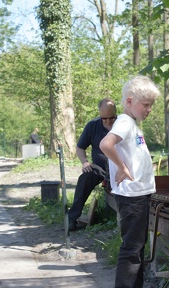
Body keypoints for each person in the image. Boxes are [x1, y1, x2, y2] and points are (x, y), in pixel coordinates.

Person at [99, 75, 160, 288]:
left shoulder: (131, 124)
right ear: (129, 101)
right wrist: (122, 167)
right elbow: (106, 144)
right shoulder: (125, 122)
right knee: (132, 250)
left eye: (151, 105)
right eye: (146, 104)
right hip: (132, 197)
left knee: (136, 249)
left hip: (137, 195)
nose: (149, 109)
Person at [68, 98, 117, 231]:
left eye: (111, 118)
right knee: (85, 177)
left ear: (116, 113)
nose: (107, 121)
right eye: (104, 118)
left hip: (119, 167)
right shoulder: (92, 125)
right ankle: (72, 218)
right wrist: (85, 162)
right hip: (99, 168)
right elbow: (80, 148)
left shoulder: (123, 125)